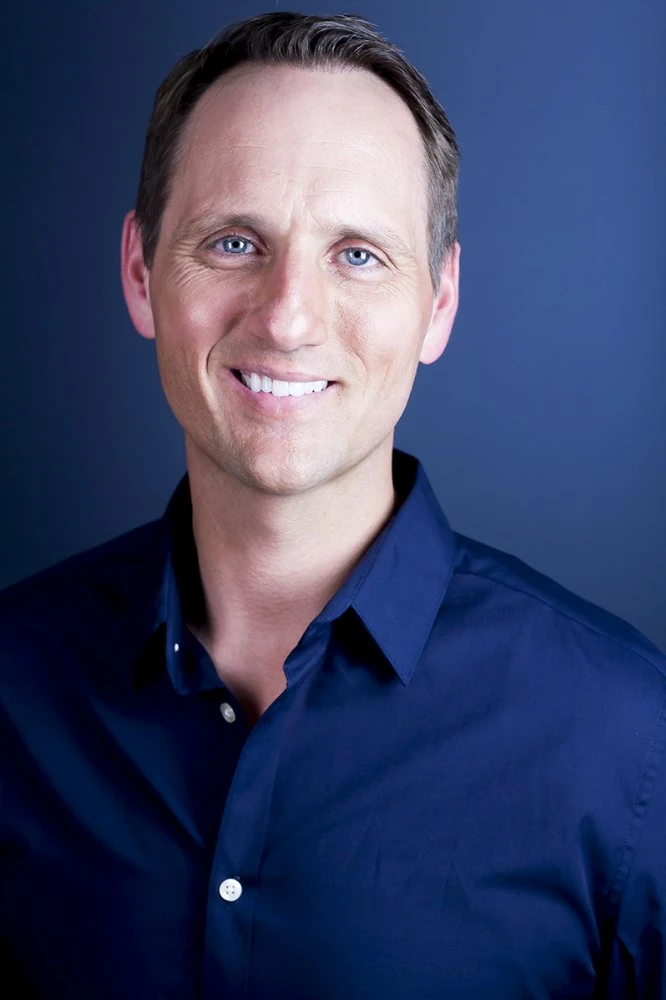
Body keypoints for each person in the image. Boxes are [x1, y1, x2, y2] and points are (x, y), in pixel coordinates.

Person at [1, 10, 665, 998]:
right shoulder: (13, 689)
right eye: (234, 241)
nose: (288, 317)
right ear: (141, 274)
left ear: (439, 303)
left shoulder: (628, 743)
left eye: (358, 254)